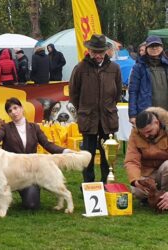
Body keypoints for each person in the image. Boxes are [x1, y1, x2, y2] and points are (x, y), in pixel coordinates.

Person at [0, 97, 73, 209]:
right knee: (1, 193)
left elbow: (47, 144)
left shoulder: (34, 128)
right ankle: (0, 195)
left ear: (21, 108)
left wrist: (65, 151)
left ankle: (62, 199)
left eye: (15, 108)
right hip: (10, 174)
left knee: (32, 205)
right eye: (10, 111)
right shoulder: (5, 128)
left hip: (30, 173)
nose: (13, 112)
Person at [69, 34, 122, 184]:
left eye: (101, 52)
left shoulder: (114, 68)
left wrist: (108, 106)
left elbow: (117, 93)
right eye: (95, 52)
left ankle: (107, 182)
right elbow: (73, 93)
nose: (98, 55)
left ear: (106, 51)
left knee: (108, 154)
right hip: (88, 118)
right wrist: (84, 109)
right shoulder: (80, 68)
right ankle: (89, 184)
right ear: (89, 51)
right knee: (88, 154)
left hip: (108, 117)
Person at [124, 110, 168, 210]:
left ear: (156, 122)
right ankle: (154, 197)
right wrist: (136, 181)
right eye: (143, 133)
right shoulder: (135, 134)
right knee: (136, 191)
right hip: (148, 175)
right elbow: (131, 161)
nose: (146, 136)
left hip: (165, 171)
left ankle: (163, 196)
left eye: (149, 131)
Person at [128, 36, 168, 125]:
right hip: (146, 113)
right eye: (151, 46)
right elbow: (133, 91)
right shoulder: (138, 67)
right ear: (146, 49)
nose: (154, 48)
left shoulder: (167, 66)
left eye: (157, 45)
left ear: (162, 47)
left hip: (166, 114)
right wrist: (132, 115)